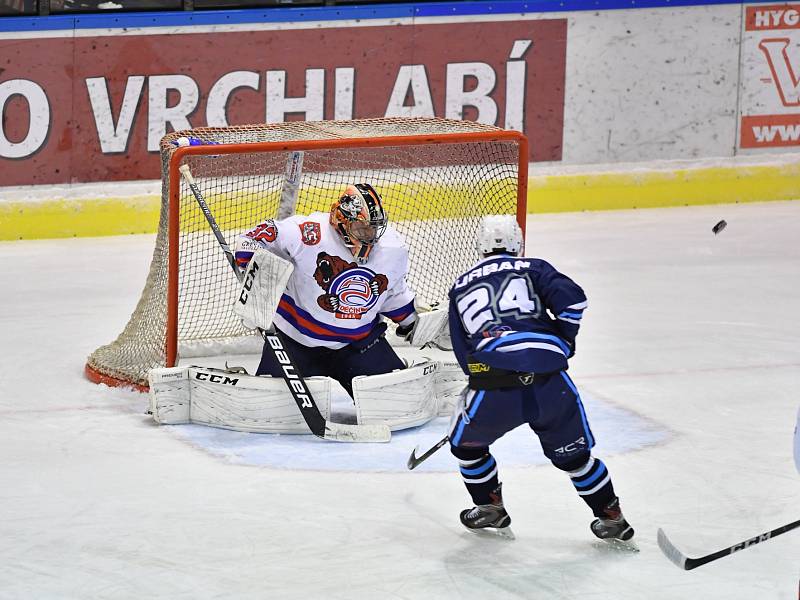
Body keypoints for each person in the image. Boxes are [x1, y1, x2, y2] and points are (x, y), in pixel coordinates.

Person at [445, 214, 634, 542]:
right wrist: (562, 342)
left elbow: (463, 348)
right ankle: (611, 517)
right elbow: (574, 301)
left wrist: (477, 379)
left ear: (480, 247)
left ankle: (489, 507)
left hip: (495, 387)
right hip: (550, 382)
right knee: (577, 458)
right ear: (518, 244)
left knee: (467, 448)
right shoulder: (534, 267)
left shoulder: (460, 286)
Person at [234, 183, 417, 397]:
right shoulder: (306, 233)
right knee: (268, 407)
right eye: (362, 228)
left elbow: (391, 294)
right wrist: (256, 269)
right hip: (295, 343)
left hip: (358, 346)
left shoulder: (392, 248)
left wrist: (412, 322)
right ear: (342, 219)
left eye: (374, 228)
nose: (370, 236)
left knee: (398, 400)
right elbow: (251, 240)